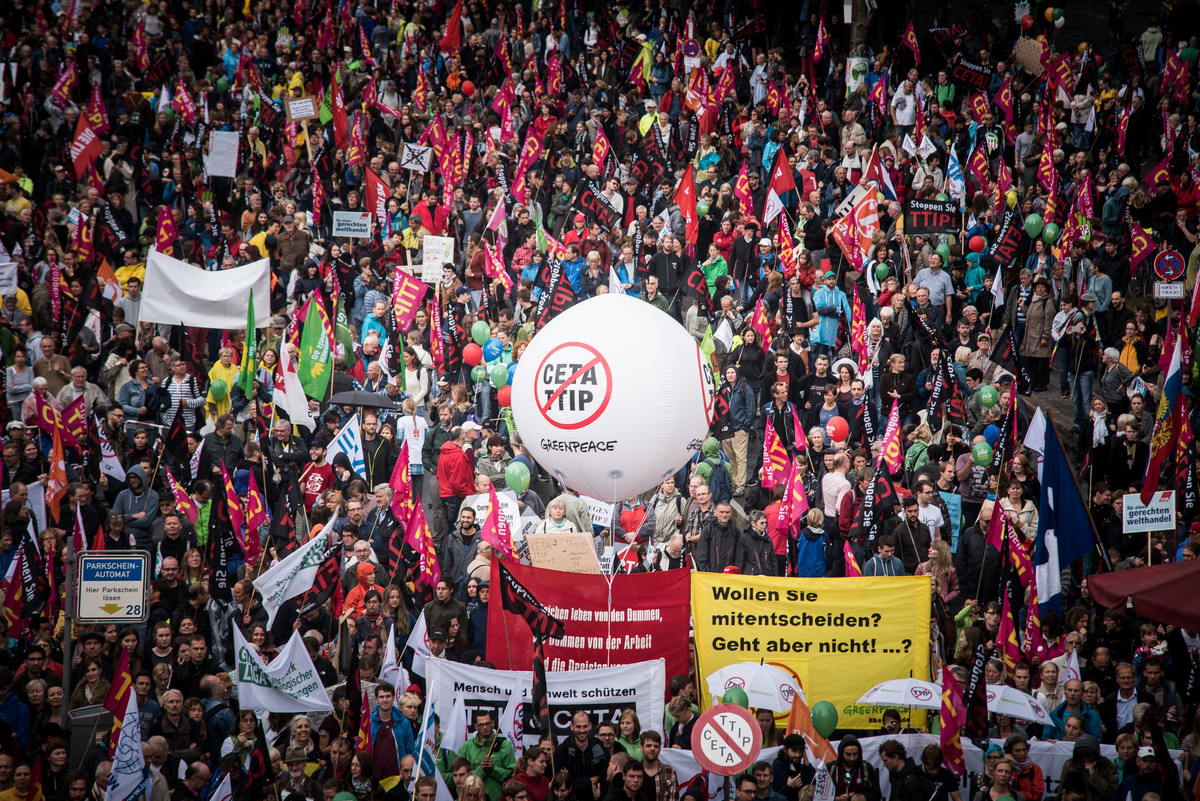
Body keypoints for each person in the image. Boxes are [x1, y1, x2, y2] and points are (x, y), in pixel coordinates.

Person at [460, 711, 516, 801]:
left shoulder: (505, 745)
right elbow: (462, 779)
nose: (485, 727)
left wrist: (493, 769)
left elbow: (512, 775)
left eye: (487, 723)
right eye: (481, 725)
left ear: (493, 723)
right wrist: (481, 770)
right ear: (476, 727)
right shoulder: (466, 747)